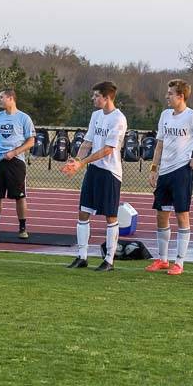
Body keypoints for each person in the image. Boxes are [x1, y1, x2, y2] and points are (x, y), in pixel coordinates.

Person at [144, 79, 193, 275]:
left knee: (181, 215)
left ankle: (179, 262)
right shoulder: (165, 115)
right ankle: (162, 260)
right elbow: (160, 144)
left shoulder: (192, 117)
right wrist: (154, 168)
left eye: (170, 93)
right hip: (164, 173)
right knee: (161, 215)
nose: (166, 97)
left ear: (181, 96)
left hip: (182, 173)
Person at [62, 81, 127, 271]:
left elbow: (107, 149)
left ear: (107, 98)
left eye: (97, 96)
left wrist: (83, 162)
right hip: (93, 170)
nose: (93, 99)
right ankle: (82, 257)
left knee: (110, 216)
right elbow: (87, 142)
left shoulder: (118, 119)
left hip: (109, 173)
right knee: (83, 212)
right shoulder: (96, 115)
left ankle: (109, 260)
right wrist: (76, 161)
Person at [0, 89, 35, 239]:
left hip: (15, 163)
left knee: (19, 196)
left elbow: (31, 141)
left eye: (1, 97)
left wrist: (15, 152)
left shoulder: (24, 118)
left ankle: (22, 228)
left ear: (11, 98)